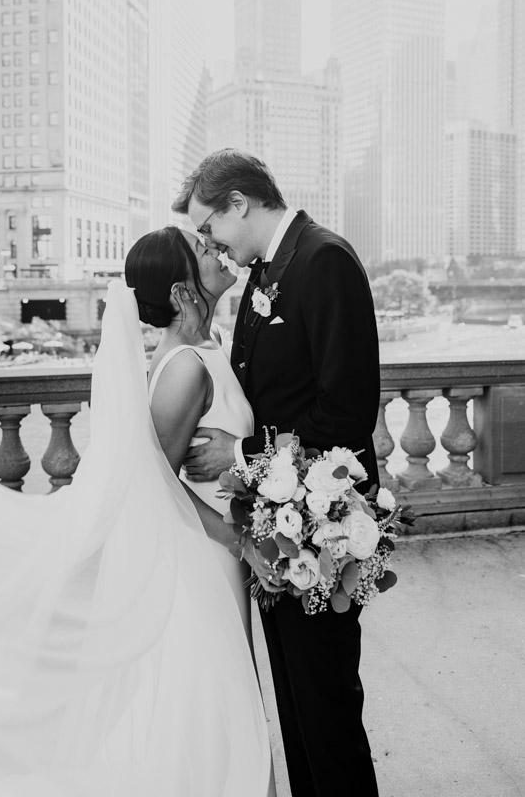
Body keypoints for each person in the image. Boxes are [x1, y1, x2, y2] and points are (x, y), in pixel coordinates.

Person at [0, 240, 272, 797]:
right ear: (180, 290)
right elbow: (155, 485)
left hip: (215, 547)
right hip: (205, 554)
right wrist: (235, 537)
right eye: (202, 248)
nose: (217, 250)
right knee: (212, 705)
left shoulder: (203, 347)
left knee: (219, 701)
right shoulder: (185, 367)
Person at [173, 148, 381, 797]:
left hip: (322, 524)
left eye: (209, 227)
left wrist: (239, 457)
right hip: (276, 523)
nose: (210, 243)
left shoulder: (324, 261)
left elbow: (345, 409)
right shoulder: (266, 274)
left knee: (325, 704)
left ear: (239, 202)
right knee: (294, 702)